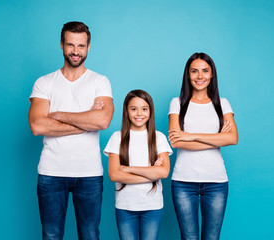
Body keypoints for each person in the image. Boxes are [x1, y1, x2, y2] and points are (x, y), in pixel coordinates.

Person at [28, 21, 114, 240]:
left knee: (90, 235)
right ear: (61, 45)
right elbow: (38, 126)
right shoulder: (44, 83)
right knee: (51, 235)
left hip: (89, 173)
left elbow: (103, 121)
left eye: (81, 46)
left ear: (88, 47)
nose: (76, 51)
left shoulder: (100, 82)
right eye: (71, 45)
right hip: (51, 173)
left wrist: (58, 115)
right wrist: (86, 121)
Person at [168, 52, 238, 240]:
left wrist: (190, 136)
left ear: (212, 74)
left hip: (216, 182)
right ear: (188, 75)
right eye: (195, 71)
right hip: (183, 182)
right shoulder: (177, 103)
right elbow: (176, 141)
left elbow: (232, 139)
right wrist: (216, 138)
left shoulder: (222, 104)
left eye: (205, 71)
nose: (200, 76)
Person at [104, 90, 172, 240]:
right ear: (126, 111)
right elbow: (114, 175)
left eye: (144, 109)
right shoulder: (117, 137)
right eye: (133, 109)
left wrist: (128, 169)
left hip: (152, 206)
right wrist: (151, 173)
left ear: (150, 111)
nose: (139, 113)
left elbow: (164, 172)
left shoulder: (159, 138)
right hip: (125, 206)